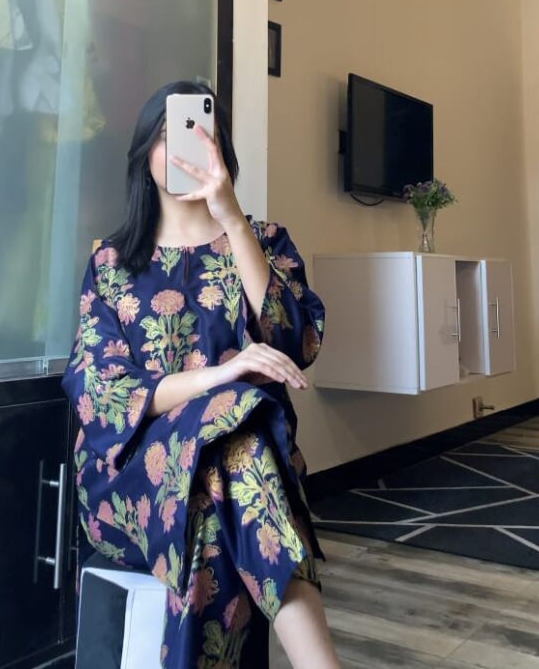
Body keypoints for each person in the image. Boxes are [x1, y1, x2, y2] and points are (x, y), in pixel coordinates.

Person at [62, 80, 341, 669]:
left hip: (230, 470)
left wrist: (232, 218)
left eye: (198, 131)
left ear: (222, 150)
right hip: (132, 477)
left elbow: (298, 343)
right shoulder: (110, 263)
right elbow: (102, 393)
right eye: (167, 134)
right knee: (232, 443)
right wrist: (223, 375)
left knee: (218, 477)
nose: (183, 146)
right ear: (145, 153)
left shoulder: (264, 242)